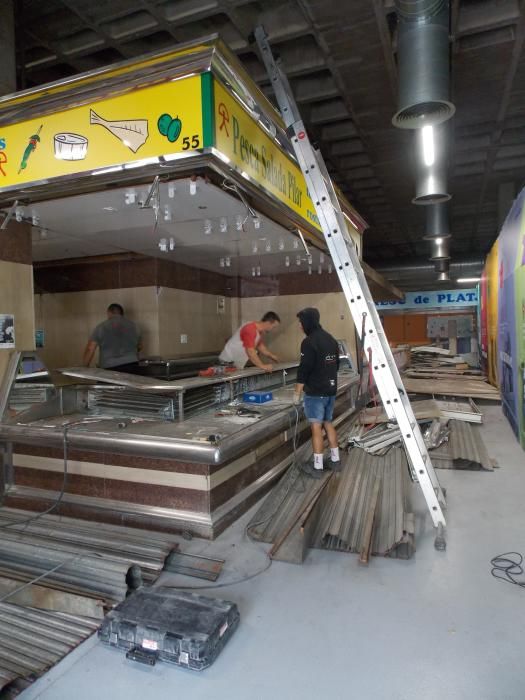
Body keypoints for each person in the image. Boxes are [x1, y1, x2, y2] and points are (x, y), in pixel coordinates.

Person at [293, 307, 341, 477]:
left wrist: (296, 394)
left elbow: (304, 370)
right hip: (330, 389)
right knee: (328, 423)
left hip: (315, 392)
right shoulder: (331, 339)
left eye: (301, 322)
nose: (299, 326)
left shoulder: (309, 341)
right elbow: (336, 365)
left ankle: (318, 467)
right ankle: (336, 461)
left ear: (307, 322)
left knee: (316, 428)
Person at [83, 303, 142, 372]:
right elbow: (140, 346)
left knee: (107, 383)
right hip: (132, 366)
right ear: (122, 313)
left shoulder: (101, 327)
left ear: (109, 313)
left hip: (110, 367)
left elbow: (90, 348)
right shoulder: (134, 326)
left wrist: (84, 367)